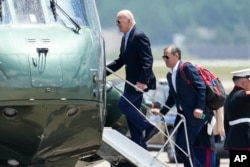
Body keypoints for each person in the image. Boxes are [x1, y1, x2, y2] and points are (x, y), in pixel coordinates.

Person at [151, 45, 215, 167]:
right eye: (163, 57)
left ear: (176, 56)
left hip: (196, 115)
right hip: (183, 115)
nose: (164, 59)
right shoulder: (170, 75)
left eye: (166, 56)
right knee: (179, 147)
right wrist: (162, 112)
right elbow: (172, 97)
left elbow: (201, 87)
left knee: (185, 145)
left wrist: (199, 108)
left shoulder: (186, 68)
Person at [106, 9, 156, 150]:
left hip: (139, 83)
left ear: (128, 21)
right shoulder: (125, 37)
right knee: (133, 124)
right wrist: (103, 71)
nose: (117, 24)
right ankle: (141, 152)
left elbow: (148, 61)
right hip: (131, 83)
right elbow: (121, 60)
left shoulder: (139, 36)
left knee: (123, 105)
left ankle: (149, 126)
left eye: (119, 21)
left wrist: (143, 81)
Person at [224, 68, 250, 167]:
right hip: (243, 142)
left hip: (236, 142)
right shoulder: (240, 95)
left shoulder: (231, 97)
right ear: (243, 82)